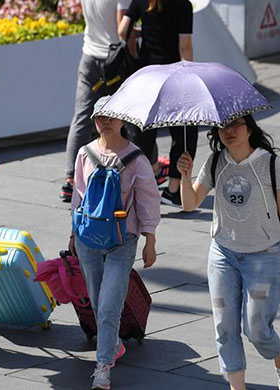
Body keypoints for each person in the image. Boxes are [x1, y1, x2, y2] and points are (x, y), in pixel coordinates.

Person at [176, 115, 280, 390]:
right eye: (223, 126)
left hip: (263, 256)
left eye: (236, 124)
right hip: (223, 255)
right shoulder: (215, 162)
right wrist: (185, 176)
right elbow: (190, 204)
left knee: (257, 329)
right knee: (224, 327)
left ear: (250, 128)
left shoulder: (270, 164)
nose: (229, 131)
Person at [69, 96, 160, 390]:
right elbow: (78, 198)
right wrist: (73, 234)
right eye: (99, 117)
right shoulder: (85, 153)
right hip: (87, 239)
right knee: (97, 300)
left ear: (122, 120)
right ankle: (113, 345)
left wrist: (150, 239)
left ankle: (103, 367)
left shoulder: (136, 159)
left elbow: (148, 200)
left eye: (110, 117)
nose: (105, 122)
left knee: (108, 305)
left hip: (123, 239)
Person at [118, 0, 196, 207]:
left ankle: (139, 189)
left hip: (147, 75)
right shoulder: (183, 5)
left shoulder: (141, 1)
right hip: (173, 76)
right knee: (184, 132)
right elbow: (184, 46)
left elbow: (122, 30)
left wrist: (140, 41)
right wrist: (190, 76)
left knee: (144, 132)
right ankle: (173, 189)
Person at [61, 0, 132, 203]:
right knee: (128, 113)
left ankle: (70, 178)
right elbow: (122, 31)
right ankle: (146, 165)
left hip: (89, 55)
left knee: (82, 115)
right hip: (114, 59)